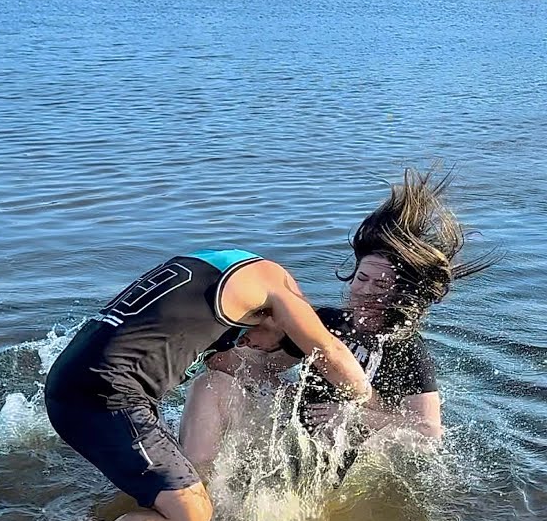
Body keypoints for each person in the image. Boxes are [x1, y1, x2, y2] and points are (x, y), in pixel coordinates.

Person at [44, 250, 369, 521]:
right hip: (107, 395)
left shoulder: (216, 270)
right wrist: (361, 399)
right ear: (278, 317)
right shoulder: (273, 285)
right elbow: (330, 349)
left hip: (73, 379)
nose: (249, 344)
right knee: (191, 519)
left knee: (171, 493)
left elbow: (226, 365)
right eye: (272, 342)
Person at [179, 169, 496, 476]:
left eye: (381, 285)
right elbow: (263, 366)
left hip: (351, 445)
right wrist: (203, 354)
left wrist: (354, 417)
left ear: (401, 295)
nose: (365, 292)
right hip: (295, 428)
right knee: (209, 385)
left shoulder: (406, 348)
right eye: (361, 278)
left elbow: (428, 432)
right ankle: (195, 487)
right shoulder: (329, 322)